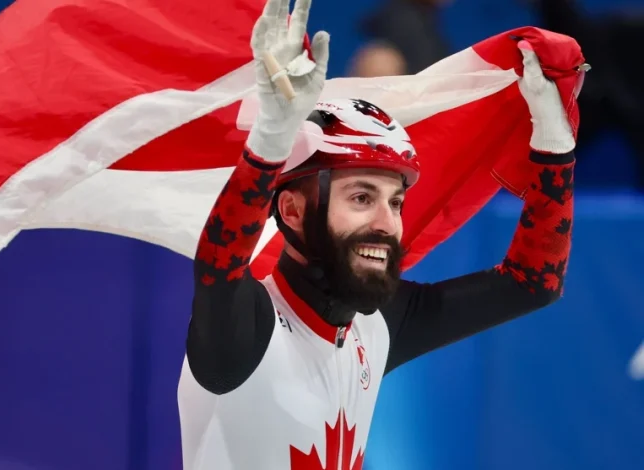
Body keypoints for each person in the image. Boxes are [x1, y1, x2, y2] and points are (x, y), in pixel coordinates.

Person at [178, 0, 576, 468]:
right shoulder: (246, 332)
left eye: (396, 202)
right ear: (292, 209)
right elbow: (218, 266)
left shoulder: (375, 326)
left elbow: (535, 283)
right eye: (362, 198)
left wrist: (554, 148)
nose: (387, 224)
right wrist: (268, 141)